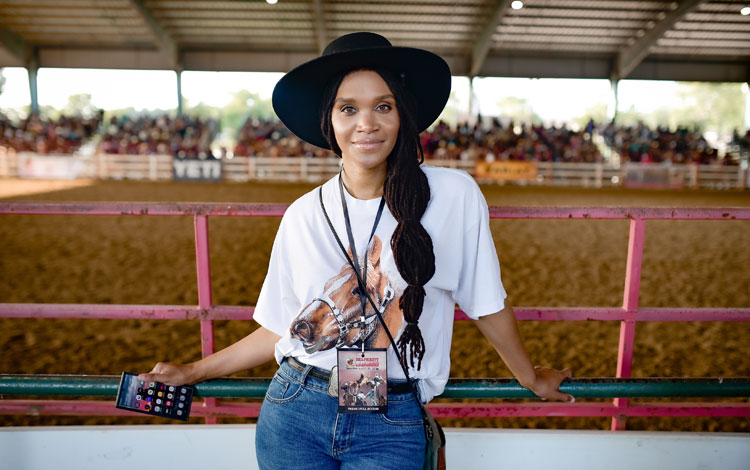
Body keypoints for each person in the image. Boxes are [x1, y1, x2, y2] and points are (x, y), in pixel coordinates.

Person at [139, 32, 573, 469]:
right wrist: (192, 372)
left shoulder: (454, 196)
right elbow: (281, 329)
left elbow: (485, 302)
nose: (367, 123)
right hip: (295, 407)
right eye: (349, 108)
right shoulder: (303, 215)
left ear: (402, 114)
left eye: (383, 106)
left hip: (393, 419)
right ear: (329, 121)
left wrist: (530, 377)